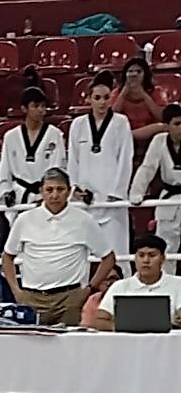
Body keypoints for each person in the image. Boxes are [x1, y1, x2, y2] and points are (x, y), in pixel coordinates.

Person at [91, 234, 181, 393]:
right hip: (124, 361)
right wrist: (123, 326)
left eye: (152, 255)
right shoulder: (121, 286)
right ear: (134, 259)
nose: (146, 260)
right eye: (141, 255)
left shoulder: (177, 284)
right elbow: (97, 320)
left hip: (166, 362)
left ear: (163, 259)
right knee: (102, 389)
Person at [2, 167, 117, 325]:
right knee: (30, 348)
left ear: (69, 191)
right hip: (31, 297)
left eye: (60, 189)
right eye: (49, 190)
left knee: (71, 348)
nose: (54, 195)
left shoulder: (84, 220)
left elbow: (108, 257)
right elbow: (7, 256)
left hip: (70, 298)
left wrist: (89, 288)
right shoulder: (24, 219)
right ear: (41, 191)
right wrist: (16, 291)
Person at [68, 71, 134, 259]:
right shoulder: (78, 125)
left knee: (118, 253)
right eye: (97, 98)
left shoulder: (121, 123)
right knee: (84, 254)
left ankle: (122, 288)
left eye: (106, 98)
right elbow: (73, 160)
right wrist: (75, 189)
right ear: (89, 99)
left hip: (112, 199)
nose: (102, 102)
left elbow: (125, 159)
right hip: (85, 198)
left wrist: (117, 193)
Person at [0, 86, 68, 223]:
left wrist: (48, 194)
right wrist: (5, 194)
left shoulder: (54, 134)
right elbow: (4, 171)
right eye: (36, 106)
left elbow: (58, 169)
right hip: (20, 197)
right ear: (24, 109)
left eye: (43, 106)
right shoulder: (11, 137)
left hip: (46, 197)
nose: (41, 110)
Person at [129, 103, 181, 273]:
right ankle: (168, 291)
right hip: (170, 200)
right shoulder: (159, 141)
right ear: (166, 126)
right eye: (177, 124)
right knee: (167, 248)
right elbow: (147, 168)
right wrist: (137, 193)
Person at [111, 57, 168, 143]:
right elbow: (111, 117)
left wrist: (144, 95)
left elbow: (161, 116)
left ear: (145, 74)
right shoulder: (117, 93)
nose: (134, 75)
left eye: (138, 71)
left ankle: (129, 136)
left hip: (150, 130)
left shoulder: (156, 91)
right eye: (130, 71)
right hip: (125, 128)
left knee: (162, 127)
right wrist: (123, 94)